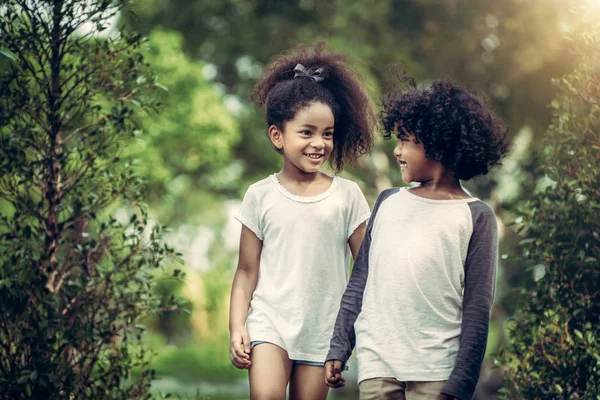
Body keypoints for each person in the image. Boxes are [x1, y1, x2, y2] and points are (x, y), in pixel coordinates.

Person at [325, 80, 510, 400]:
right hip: (378, 365)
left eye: (406, 140)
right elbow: (360, 282)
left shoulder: (477, 216)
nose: (397, 150)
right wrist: (339, 346)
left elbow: (477, 310)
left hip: (438, 374)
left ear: (439, 144)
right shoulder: (387, 202)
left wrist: (460, 385)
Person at [229, 42, 377, 400]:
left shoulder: (348, 196)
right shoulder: (259, 195)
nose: (319, 143)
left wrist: (349, 338)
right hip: (269, 323)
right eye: (306, 132)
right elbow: (247, 271)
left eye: (327, 133)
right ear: (277, 136)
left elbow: (367, 271)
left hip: (323, 330)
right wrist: (237, 327)